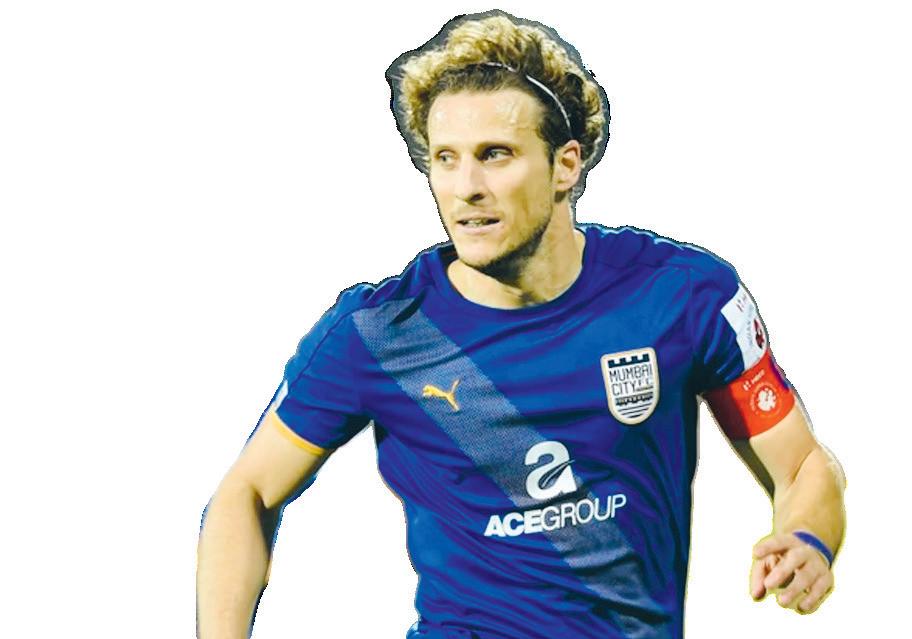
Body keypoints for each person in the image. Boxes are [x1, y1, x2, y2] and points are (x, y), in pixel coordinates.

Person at [196, 10, 846, 639]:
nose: (465, 187)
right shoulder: (381, 332)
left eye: (495, 155)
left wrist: (808, 538)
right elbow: (246, 493)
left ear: (567, 164)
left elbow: (803, 466)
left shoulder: (681, 296)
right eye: (444, 158)